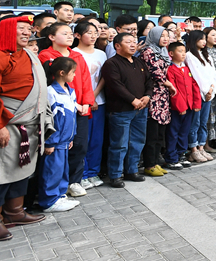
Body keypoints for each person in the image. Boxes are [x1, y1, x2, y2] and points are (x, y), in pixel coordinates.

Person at [0, 15, 48, 240]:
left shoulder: (29, 54)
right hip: (6, 124)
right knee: (2, 172)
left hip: (29, 123)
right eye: (21, 29)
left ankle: (15, 212)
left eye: (29, 29)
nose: (27, 33)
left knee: (22, 169)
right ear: (8, 30)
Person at [38, 23, 95, 198]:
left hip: (80, 109)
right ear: (52, 37)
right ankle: (53, 189)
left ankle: (74, 181)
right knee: (56, 148)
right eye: (65, 33)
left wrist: (87, 102)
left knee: (79, 145)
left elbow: (85, 80)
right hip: (59, 110)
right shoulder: (45, 56)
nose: (70, 36)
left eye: (71, 33)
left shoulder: (77, 55)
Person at [102, 33, 152, 188]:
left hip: (141, 109)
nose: (133, 44)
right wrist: (133, 99)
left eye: (134, 42)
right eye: (128, 42)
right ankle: (116, 175)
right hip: (121, 110)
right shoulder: (111, 64)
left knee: (137, 141)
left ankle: (132, 170)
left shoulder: (138, 61)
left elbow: (149, 81)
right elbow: (115, 85)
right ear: (117, 45)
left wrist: (147, 96)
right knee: (119, 143)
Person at [38, 57, 80, 212]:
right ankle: (49, 200)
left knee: (62, 169)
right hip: (55, 141)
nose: (75, 75)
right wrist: (50, 142)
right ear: (62, 73)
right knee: (51, 170)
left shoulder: (70, 91)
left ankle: (60, 195)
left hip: (65, 140)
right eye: (73, 72)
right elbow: (51, 120)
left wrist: (72, 136)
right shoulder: (51, 92)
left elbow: (72, 117)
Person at [139, 27, 176, 175]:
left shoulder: (163, 52)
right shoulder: (148, 51)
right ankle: (149, 165)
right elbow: (156, 73)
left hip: (164, 96)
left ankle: (155, 162)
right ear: (154, 36)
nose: (165, 39)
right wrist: (170, 84)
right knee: (152, 133)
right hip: (153, 95)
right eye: (162, 36)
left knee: (160, 133)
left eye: (167, 36)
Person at [74, 21, 106, 189]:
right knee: (82, 141)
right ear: (77, 35)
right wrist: (88, 99)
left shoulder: (101, 54)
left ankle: (93, 172)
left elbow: (104, 78)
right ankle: (82, 174)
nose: (94, 35)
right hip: (81, 104)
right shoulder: (73, 53)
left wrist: (93, 96)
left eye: (95, 32)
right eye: (89, 32)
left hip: (99, 102)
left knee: (96, 140)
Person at [165, 41, 201, 168]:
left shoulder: (186, 69)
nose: (183, 54)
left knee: (184, 132)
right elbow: (173, 90)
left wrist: (196, 103)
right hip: (178, 108)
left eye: (184, 51)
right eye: (180, 51)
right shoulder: (170, 69)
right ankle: (171, 157)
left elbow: (194, 86)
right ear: (171, 53)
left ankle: (181, 154)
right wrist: (180, 106)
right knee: (173, 132)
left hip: (189, 106)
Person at [184, 31, 216, 163]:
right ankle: (193, 149)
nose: (204, 42)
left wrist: (212, 89)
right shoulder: (189, 56)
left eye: (204, 39)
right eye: (201, 39)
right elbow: (197, 76)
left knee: (203, 122)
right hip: (198, 94)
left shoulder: (205, 56)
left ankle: (201, 146)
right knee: (195, 122)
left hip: (209, 94)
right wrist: (206, 90)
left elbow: (213, 75)